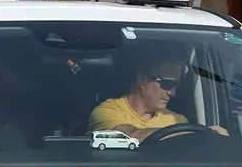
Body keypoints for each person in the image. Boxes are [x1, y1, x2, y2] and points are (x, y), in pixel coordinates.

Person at [88, 52, 229, 140]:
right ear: (142, 79)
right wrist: (196, 134)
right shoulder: (106, 112)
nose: (172, 93)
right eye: (167, 84)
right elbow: (129, 136)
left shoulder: (177, 120)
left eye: (176, 86)